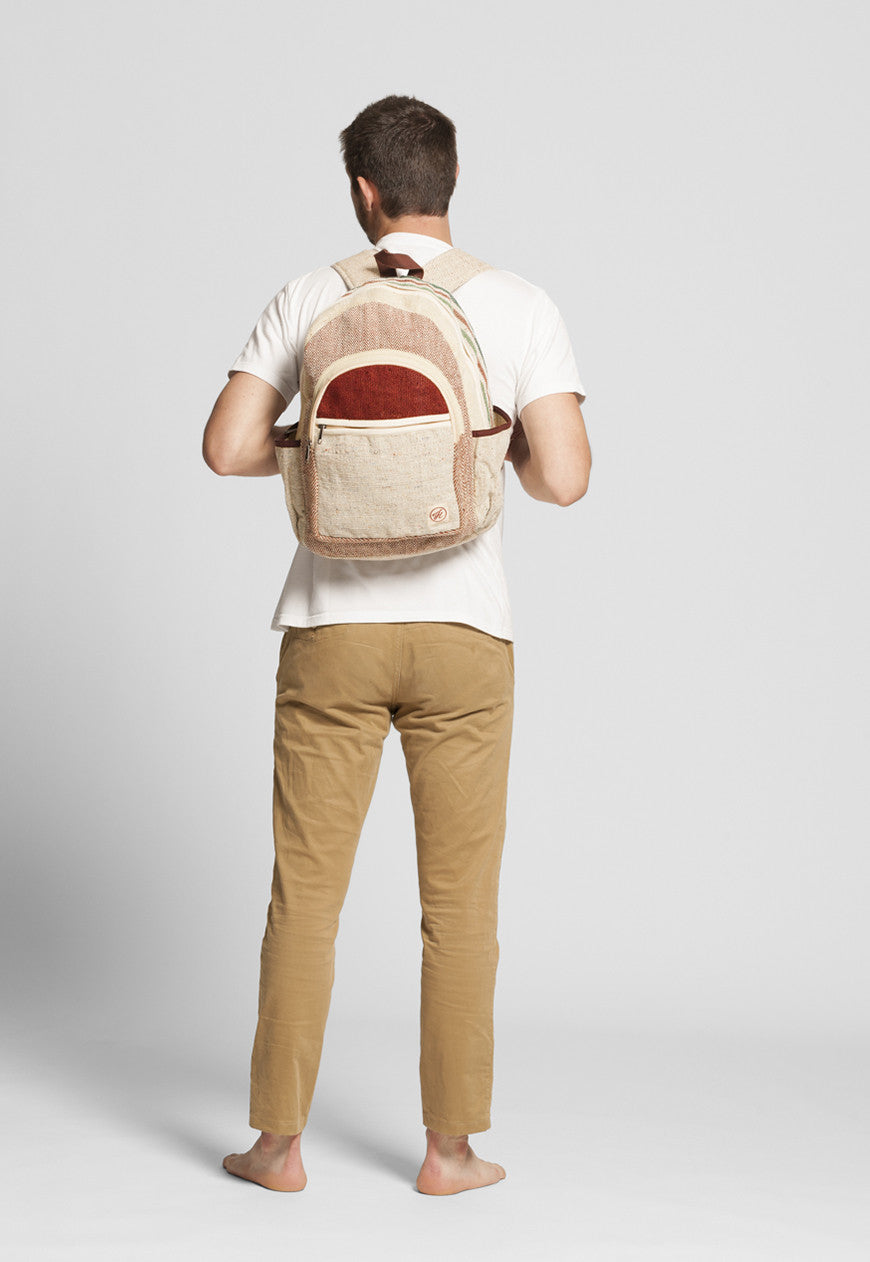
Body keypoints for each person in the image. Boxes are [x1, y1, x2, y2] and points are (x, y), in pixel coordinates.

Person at [203, 94, 591, 1196]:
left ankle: (277, 1146)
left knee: (305, 895)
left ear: (363, 191)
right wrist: (483, 452)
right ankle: (450, 1151)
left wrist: (327, 449)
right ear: (449, 183)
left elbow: (226, 448)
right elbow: (564, 479)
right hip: (466, 634)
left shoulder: (310, 295)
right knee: (460, 906)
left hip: (331, 631)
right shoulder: (517, 303)